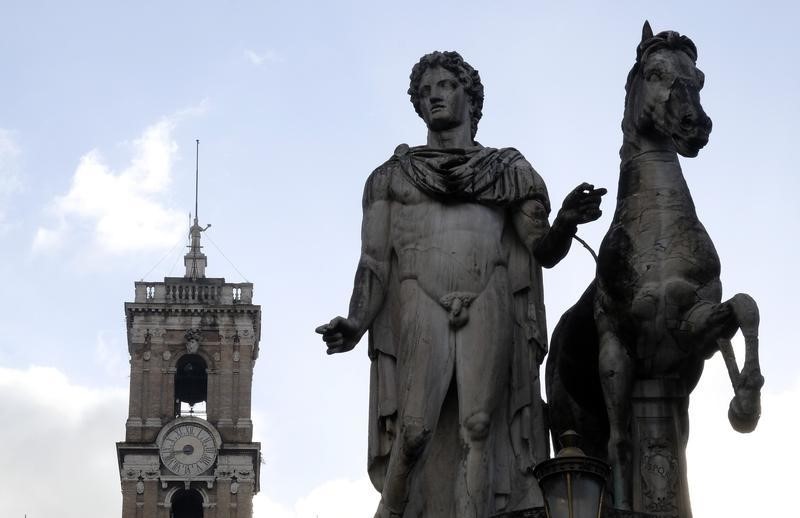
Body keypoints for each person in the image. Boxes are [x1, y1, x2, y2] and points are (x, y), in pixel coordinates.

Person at [316, 51, 605, 518]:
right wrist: (355, 322)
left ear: (469, 95)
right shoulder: (391, 178)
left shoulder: (508, 170)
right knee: (413, 430)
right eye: (425, 91)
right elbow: (373, 261)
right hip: (418, 298)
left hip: (488, 294)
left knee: (479, 425)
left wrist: (567, 221)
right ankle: (391, 510)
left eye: (446, 85)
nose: (434, 95)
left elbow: (542, 250)